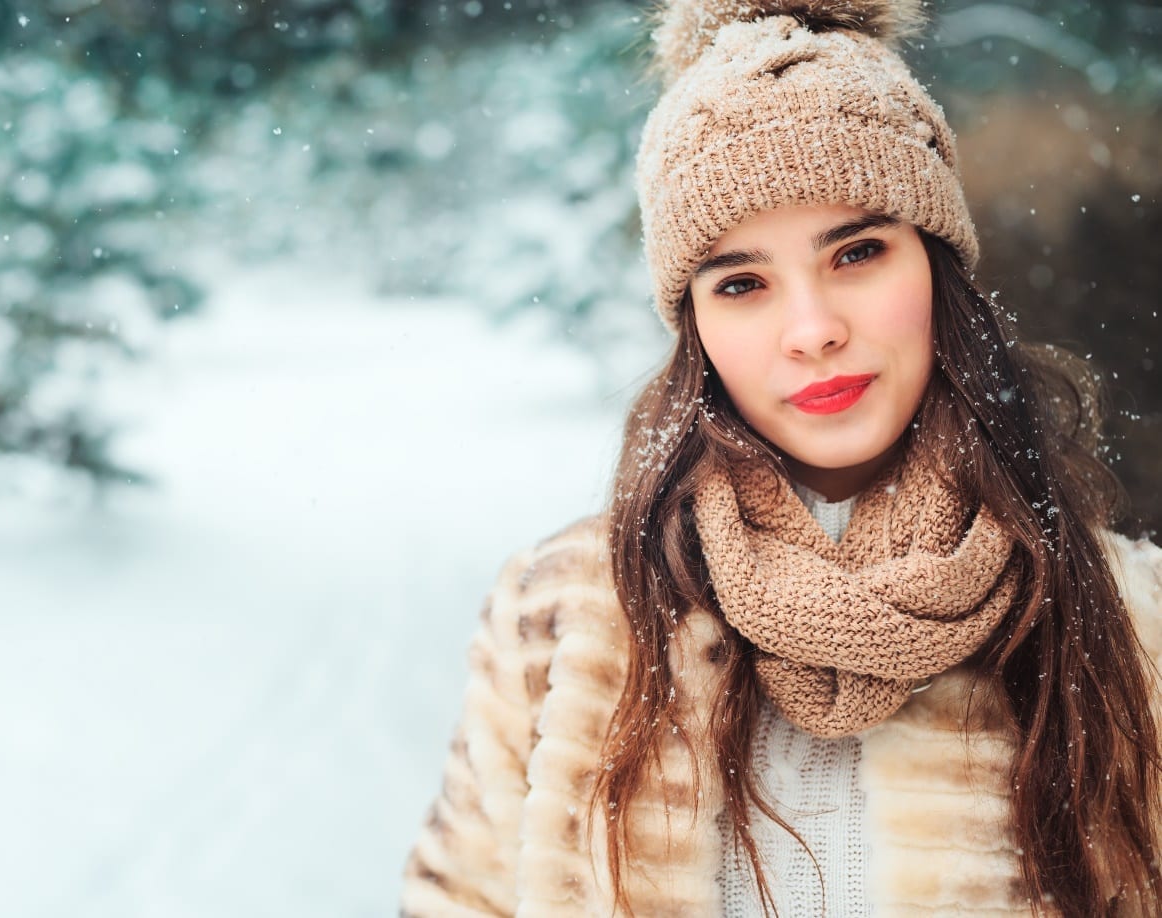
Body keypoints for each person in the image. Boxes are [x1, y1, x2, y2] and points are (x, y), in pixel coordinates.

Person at [400, 0, 1162, 915]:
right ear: (696, 328)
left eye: (859, 252)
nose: (812, 331)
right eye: (743, 283)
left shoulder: (1125, 616)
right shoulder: (566, 613)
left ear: (938, 269)